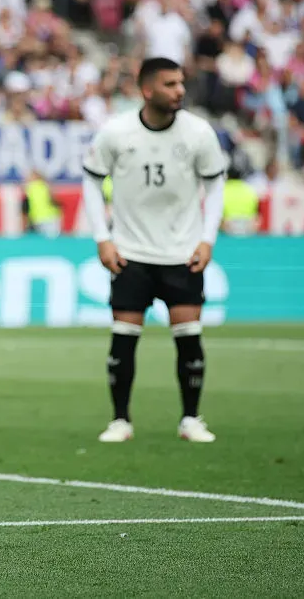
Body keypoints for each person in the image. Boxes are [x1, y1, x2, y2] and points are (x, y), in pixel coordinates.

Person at [81, 57, 225, 444]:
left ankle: (191, 419)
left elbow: (215, 185)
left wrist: (207, 238)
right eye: (170, 84)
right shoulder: (116, 132)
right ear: (147, 90)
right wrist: (102, 237)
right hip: (130, 253)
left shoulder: (199, 133)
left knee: (189, 337)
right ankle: (120, 420)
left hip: (182, 253)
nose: (179, 90)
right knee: (124, 338)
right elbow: (92, 181)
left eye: (181, 83)